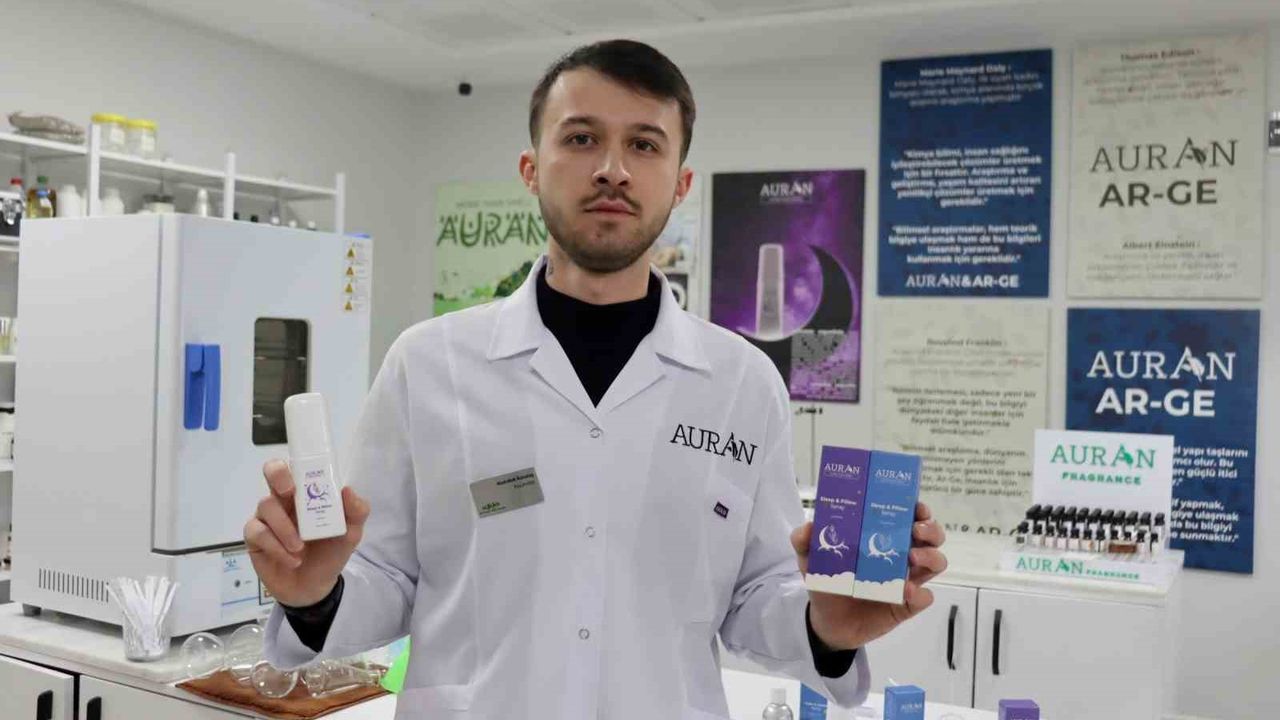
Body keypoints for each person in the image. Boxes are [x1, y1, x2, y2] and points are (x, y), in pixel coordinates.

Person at [246, 39, 947, 719]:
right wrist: (315, 597)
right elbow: (385, 577)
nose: (613, 169)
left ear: (681, 184)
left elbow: (755, 597)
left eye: (644, 144)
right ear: (531, 169)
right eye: (581, 139)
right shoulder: (429, 365)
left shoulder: (742, 383)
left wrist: (826, 631)